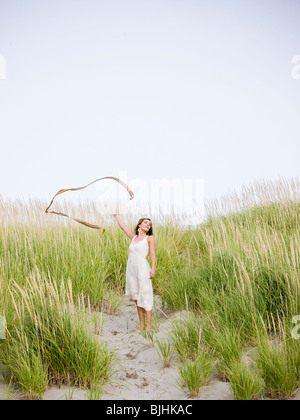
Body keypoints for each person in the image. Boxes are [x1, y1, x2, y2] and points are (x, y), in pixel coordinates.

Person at [113, 214, 156, 332]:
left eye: (149, 224)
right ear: (139, 225)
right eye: (146, 222)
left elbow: (152, 254)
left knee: (145, 295)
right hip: (131, 269)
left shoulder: (149, 238)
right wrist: (116, 216)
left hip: (142, 268)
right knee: (136, 297)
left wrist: (153, 269)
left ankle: (148, 326)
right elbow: (123, 227)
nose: (148, 225)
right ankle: (141, 326)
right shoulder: (134, 237)